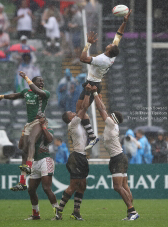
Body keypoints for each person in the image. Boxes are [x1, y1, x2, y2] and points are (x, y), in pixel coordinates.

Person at [78, 11, 132, 150]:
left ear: (109, 51)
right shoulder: (112, 55)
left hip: (92, 84)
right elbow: (119, 35)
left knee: (81, 111)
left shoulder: (102, 60)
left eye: (110, 45)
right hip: (95, 82)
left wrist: (88, 44)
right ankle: (93, 135)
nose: (110, 43)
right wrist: (124, 22)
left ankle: (92, 136)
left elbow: (83, 59)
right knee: (81, 111)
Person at [91, 85, 139, 221]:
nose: (108, 115)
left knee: (118, 187)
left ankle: (132, 211)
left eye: (110, 116)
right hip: (120, 157)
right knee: (124, 186)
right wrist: (99, 98)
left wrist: (95, 93)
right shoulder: (114, 125)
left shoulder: (111, 124)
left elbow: (102, 110)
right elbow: (103, 109)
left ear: (113, 118)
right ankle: (132, 212)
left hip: (117, 158)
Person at [0, 71, 50, 175]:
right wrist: (2, 96)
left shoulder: (45, 93)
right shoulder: (26, 92)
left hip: (39, 121)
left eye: (43, 81)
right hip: (29, 123)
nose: (42, 82)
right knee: (24, 151)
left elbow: (35, 89)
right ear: (34, 82)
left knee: (31, 141)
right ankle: (22, 181)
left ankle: (29, 165)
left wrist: (26, 78)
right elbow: (15, 96)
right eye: (40, 81)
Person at [53, 83, 92, 221]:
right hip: (76, 157)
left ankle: (76, 212)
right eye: (71, 113)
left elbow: (82, 109)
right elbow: (84, 108)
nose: (73, 112)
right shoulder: (73, 124)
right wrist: (87, 92)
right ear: (69, 118)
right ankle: (59, 212)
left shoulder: (78, 123)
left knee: (82, 185)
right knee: (73, 185)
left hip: (81, 156)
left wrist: (88, 93)